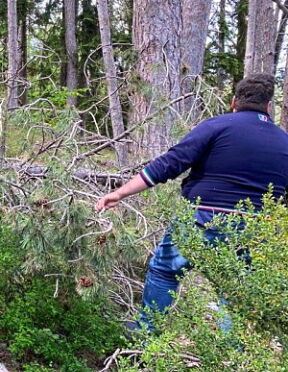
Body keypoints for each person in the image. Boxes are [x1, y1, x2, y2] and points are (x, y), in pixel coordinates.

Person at [94, 73, 288, 330]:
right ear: (268, 106)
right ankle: (230, 353)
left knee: (165, 270)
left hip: (202, 218)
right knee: (234, 289)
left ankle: (147, 333)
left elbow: (170, 163)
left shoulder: (217, 126)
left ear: (234, 102)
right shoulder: (283, 141)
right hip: (255, 228)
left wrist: (120, 192)